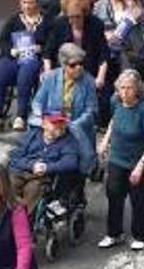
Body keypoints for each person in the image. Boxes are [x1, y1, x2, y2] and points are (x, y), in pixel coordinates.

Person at [97, 70, 144, 250]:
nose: (124, 92)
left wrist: (141, 166)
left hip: (139, 160)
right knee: (114, 194)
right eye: (121, 88)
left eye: (129, 88)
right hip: (118, 157)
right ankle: (114, 233)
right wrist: (105, 141)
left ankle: (140, 235)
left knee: (138, 198)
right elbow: (114, 121)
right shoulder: (115, 101)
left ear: (137, 89)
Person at [0, 0, 50, 133]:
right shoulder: (14, 20)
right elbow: (2, 40)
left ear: (37, 3)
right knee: (0, 74)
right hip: (14, 55)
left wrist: (41, 48)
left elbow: (51, 43)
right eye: (23, 2)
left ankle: (21, 115)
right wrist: (10, 50)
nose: (26, 6)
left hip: (33, 58)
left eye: (30, 2)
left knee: (25, 76)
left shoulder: (46, 21)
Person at [30, 43, 99, 175]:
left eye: (80, 63)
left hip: (75, 123)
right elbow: (38, 102)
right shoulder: (51, 77)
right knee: (34, 123)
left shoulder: (88, 81)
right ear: (63, 65)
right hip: (52, 122)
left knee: (76, 133)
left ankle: (87, 167)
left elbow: (91, 110)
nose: (78, 68)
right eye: (73, 65)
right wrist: (43, 117)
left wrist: (73, 124)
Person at [9, 111, 82, 215]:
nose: (60, 126)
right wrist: (32, 165)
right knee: (9, 186)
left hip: (43, 177)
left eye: (62, 123)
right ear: (44, 124)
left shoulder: (69, 141)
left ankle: (25, 221)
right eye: (55, 123)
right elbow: (15, 157)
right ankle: (8, 217)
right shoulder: (31, 135)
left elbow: (71, 162)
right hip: (22, 172)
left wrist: (47, 167)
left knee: (33, 190)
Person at [43, 0, 109, 86]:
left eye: (77, 17)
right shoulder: (59, 24)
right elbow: (48, 53)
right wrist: (48, 72)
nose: (73, 21)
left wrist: (100, 77)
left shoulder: (96, 24)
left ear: (84, 13)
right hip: (65, 67)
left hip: (89, 66)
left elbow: (104, 55)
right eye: (70, 17)